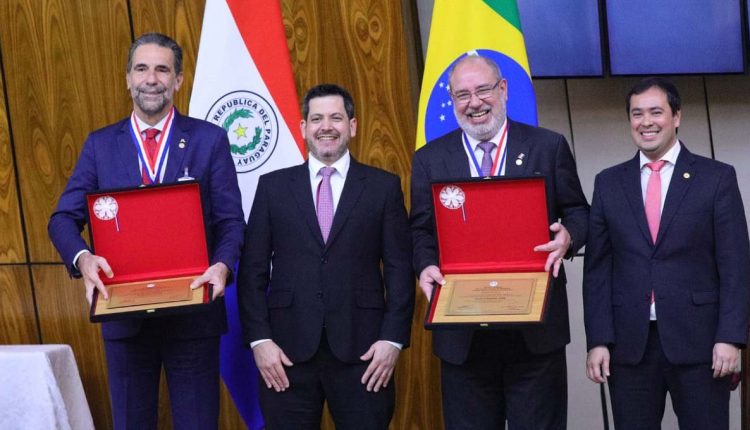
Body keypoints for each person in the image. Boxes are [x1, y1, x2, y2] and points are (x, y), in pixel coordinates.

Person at [47, 33, 245, 429]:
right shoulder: (100, 145)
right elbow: (62, 219)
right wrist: (83, 260)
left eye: (162, 70)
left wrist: (222, 266)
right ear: (127, 78)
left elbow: (231, 222)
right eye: (141, 69)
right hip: (124, 316)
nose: (151, 79)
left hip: (193, 314)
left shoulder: (209, 140)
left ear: (178, 80)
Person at [410, 54, 589, 429]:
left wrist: (569, 237)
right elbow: (421, 229)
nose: (474, 103)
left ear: (503, 89)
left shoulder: (548, 146)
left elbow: (579, 211)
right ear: (452, 101)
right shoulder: (430, 159)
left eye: (483, 90)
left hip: (535, 335)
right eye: (462, 95)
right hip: (464, 336)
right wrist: (425, 265)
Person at [237, 84, 414, 429]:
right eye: (317, 119)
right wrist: (260, 341)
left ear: (353, 126)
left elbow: (400, 271)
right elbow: (252, 272)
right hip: (285, 355)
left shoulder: (383, 187)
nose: (326, 126)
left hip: (364, 353)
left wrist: (392, 340)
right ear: (304, 128)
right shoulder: (273, 187)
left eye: (336, 117)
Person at [583, 77, 750, 429]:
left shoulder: (716, 178)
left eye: (656, 112)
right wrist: (598, 341)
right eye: (637, 114)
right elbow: (597, 271)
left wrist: (730, 337)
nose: (646, 122)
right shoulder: (608, 183)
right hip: (629, 347)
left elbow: (735, 265)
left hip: (702, 344)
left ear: (676, 117)